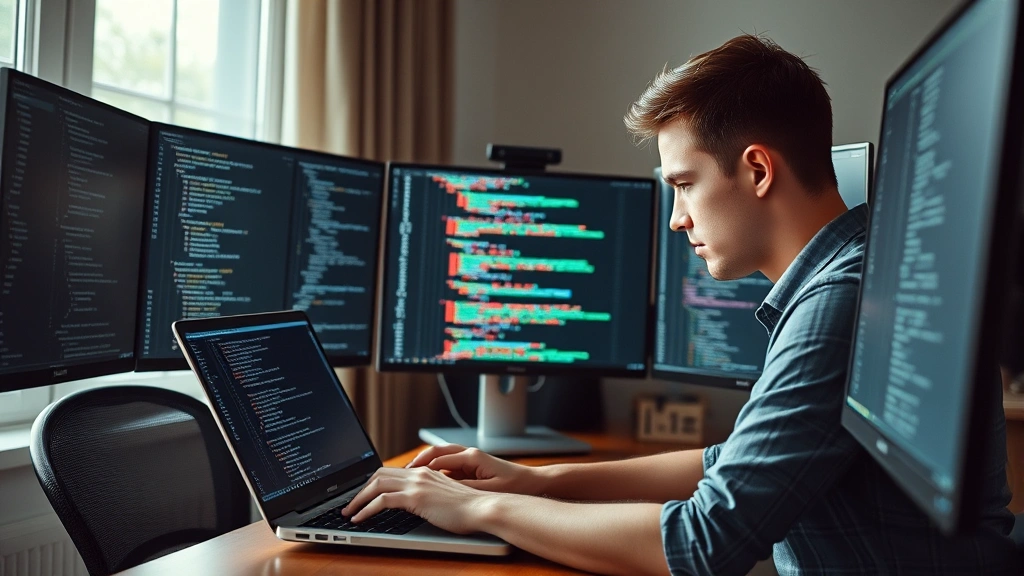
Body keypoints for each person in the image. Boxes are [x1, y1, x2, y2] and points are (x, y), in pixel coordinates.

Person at [343, 34, 1018, 575]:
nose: (676, 219)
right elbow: (729, 463)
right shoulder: (849, 272)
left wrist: (478, 512)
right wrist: (532, 482)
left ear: (757, 169)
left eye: (685, 185)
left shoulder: (840, 303)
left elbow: (705, 543)